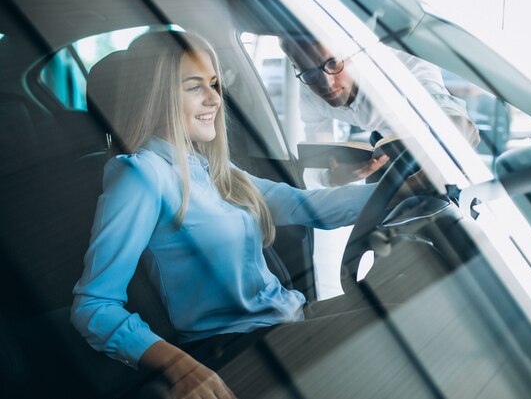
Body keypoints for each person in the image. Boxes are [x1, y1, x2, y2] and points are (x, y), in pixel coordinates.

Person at [70, 31, 378, 399]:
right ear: (158, 93)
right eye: (194, 86)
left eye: (214, 84)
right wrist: (180, 366)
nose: (214, 98)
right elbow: (93, 306)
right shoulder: (141, 175)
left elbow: (304, 206)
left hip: (291, 322)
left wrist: (401, 190)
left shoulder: (210, 167)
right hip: (240, 349)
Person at [280, 39, 480, 187]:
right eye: (309, 72)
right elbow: (318, 158)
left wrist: (410, 189)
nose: (326, 83)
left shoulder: (402, 64)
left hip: (434, 160)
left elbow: (461, 129)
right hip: (386, 154)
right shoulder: (308, 89)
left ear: (354, 50)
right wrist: (334, 178)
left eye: (333, 63)